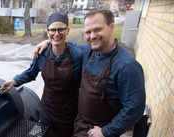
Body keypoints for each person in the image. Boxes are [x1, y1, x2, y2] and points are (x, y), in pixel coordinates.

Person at [34, 9, 146, 137]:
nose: (92, 36)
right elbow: (66, 45)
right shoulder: (90, 51)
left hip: (99, 130)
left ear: (111, 27)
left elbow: (134, 108)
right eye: (88, 32)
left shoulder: (127, 65)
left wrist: (107, 131)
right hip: (80, 124)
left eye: (97, 30)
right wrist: (49, 41)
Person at [0, 12, 84, 137]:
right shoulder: (42, 53)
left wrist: (48, 42)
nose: (56, 34)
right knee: (37, 134)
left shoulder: (78, 55)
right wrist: (13, 81)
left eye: (61, 29)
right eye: (52, 30)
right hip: (47, 110)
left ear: (68, 30)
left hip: (69, 113)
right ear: (47, 31)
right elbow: (30, 73)